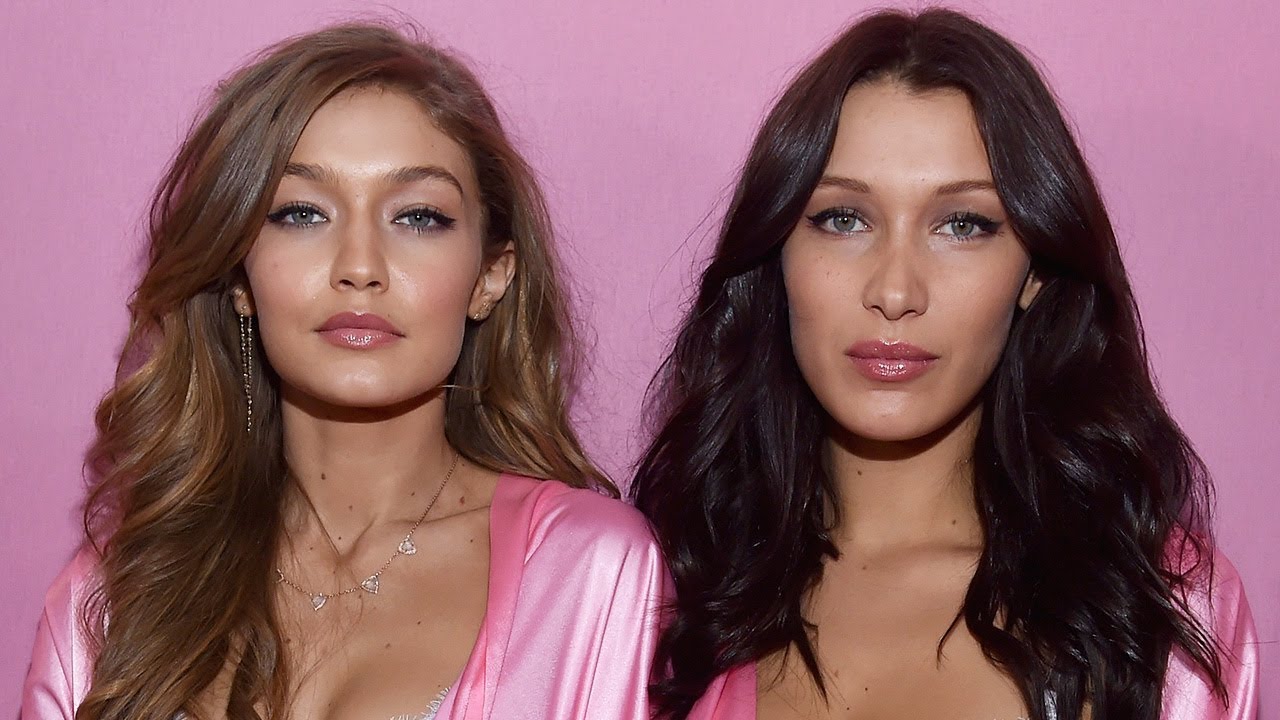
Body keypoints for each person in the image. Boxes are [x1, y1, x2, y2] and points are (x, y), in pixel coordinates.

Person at [22, 23, 664, 720]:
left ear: (490, 276)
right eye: (302, 213)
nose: (359, 266)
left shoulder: (586, 571)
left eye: (418, 217)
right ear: (239, 275)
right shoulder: (110, 599)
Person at [632, 8, 1258, 720]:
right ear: (778, 253)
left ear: (1034, 271)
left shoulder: (1163, 611)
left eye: (963, 225)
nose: (896, 292)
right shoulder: (655, 598)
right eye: (843, 219)